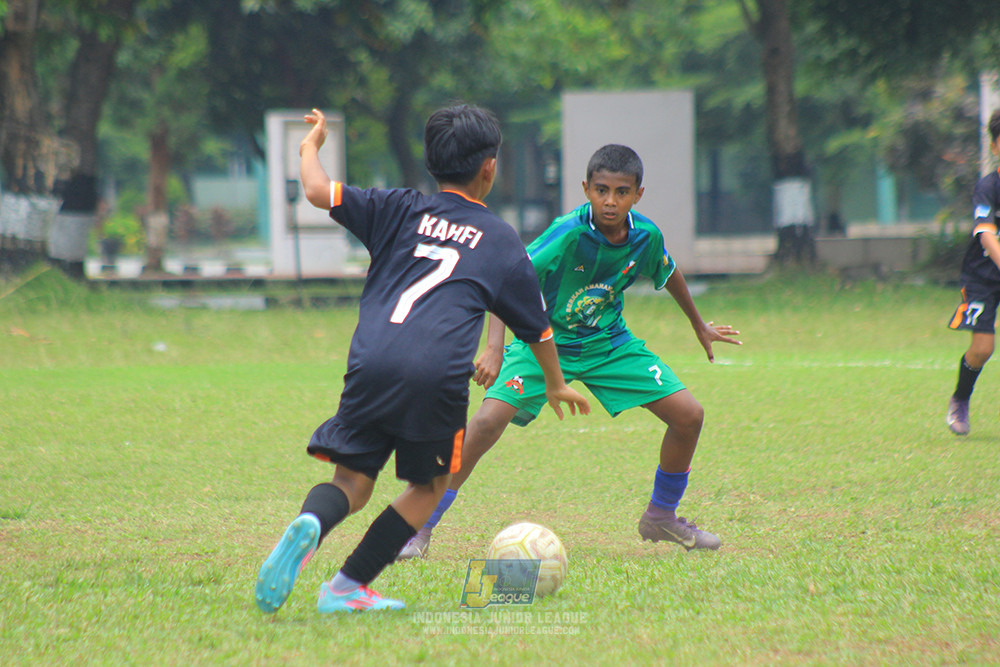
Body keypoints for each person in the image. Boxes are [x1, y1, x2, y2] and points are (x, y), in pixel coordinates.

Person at [255, 106, 590, 614]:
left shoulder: (396, 207)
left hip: (370, 361)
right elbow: (538, 327)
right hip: (436, 375)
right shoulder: (499, 240)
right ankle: (346, 587)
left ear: (433, 164)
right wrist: (557, 381)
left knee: (350, 482)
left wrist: (309, 148)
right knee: (429, 486)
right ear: (489, 168)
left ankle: (312, 524)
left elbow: (318, 191)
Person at [398, 144, 741, 560]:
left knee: (690, 416)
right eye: (601, 190)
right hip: (541, 342)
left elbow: (668, 272)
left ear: (638, 195)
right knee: (486, 423)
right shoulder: (567, 233)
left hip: (608, 343)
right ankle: (419, 528)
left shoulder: (645, 235)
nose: (610, 201)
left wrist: (698, 324)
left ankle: (661, 516)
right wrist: (493, 348)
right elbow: (507, 279)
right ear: (586, 189)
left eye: (621, 192)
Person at [946, 109, 1000, 436]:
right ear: (995, 148)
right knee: (982, 348)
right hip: (982, 278)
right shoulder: (988, 187)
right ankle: (960, 399)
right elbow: (986, 234)